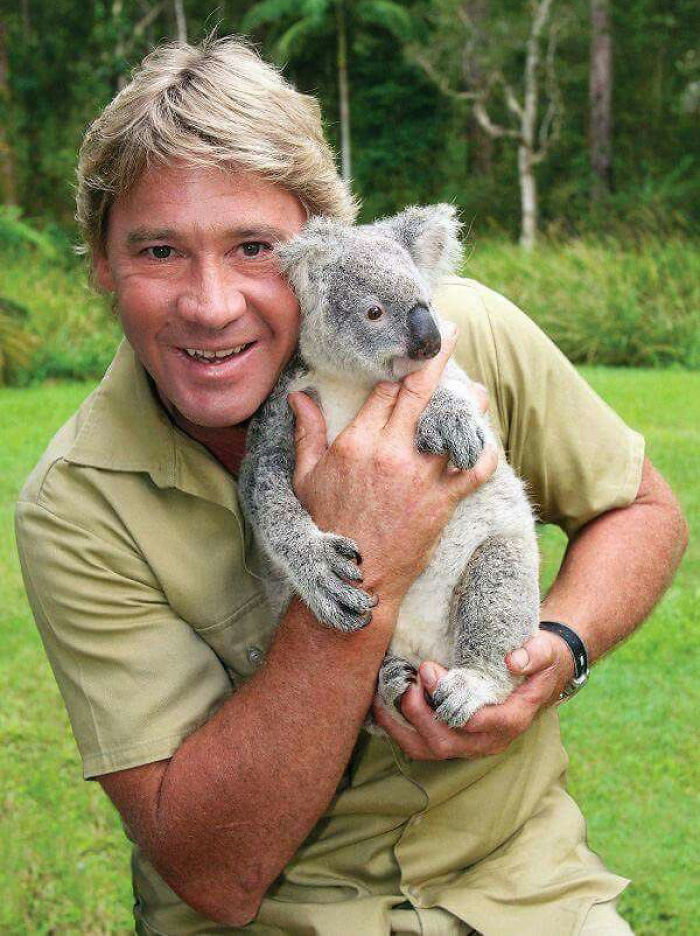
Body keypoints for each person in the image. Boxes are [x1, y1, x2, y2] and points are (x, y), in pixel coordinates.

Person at [15, 35, 687, 936]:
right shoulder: (77, 504)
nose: (211, 304)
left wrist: (558, 650)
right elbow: (215, 875)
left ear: (323, 249)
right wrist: (371, 552)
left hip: (525, 893)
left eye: (255, 247)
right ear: (100, 263)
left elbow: (641, 509)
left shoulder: (458, 333)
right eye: (160, 251)